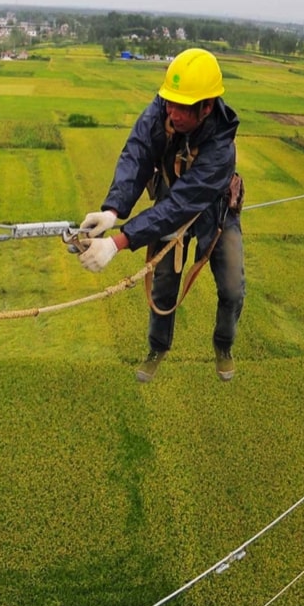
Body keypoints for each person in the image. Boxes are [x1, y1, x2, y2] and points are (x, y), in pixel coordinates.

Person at [76, 48, 245, 382]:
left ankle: (223, 346)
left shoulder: (221, 149)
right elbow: (137, 153)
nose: (172, 112)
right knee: (163, 285)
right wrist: (113, 210)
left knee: (231, 288)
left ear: (207, 107)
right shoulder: (162, 110)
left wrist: (117, 243)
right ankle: (158, 348)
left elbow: (182, 205)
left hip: (215, 212)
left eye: (182, 108)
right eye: (169, 102)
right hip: (172, 200)